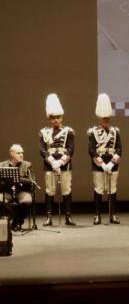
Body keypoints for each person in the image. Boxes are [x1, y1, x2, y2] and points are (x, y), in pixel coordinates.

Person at [39, 93, 75, 226]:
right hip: (49, 165)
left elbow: (71, 149)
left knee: (66, 190)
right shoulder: (44, 132)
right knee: (50, 190)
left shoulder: (68, 132)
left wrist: (60, 162)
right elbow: (42, 150)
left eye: (58, 117)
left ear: (61, 117)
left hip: (65, 165)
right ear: (49, 118)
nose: (55, 120)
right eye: (53, 118)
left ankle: (68, 216)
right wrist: (53, 162)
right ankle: (48, 217)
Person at [88, 93, 122, 225]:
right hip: (99, 165)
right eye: (104, 118)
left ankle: (113, 214)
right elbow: (91, 150)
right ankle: (97, 215)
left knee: (112, 189)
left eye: (107, 118)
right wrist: (102, 164)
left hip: (113, 164)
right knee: (99, 189)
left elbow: (119, 149)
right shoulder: (93, 132)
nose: (106, 120)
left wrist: (112, 163)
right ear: (99, 118)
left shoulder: (115, 131)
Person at [1, 144, 35, 231]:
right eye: (18, 153)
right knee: (0, 201)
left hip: (21, 191)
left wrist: (18, 178)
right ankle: (13, 218)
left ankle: (16, 221)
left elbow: (32, 181)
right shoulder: (2, 165)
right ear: (12, 154)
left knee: (27, 201)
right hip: (7, 192)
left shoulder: (27, 165)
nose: (21, 155)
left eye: (22, 153)